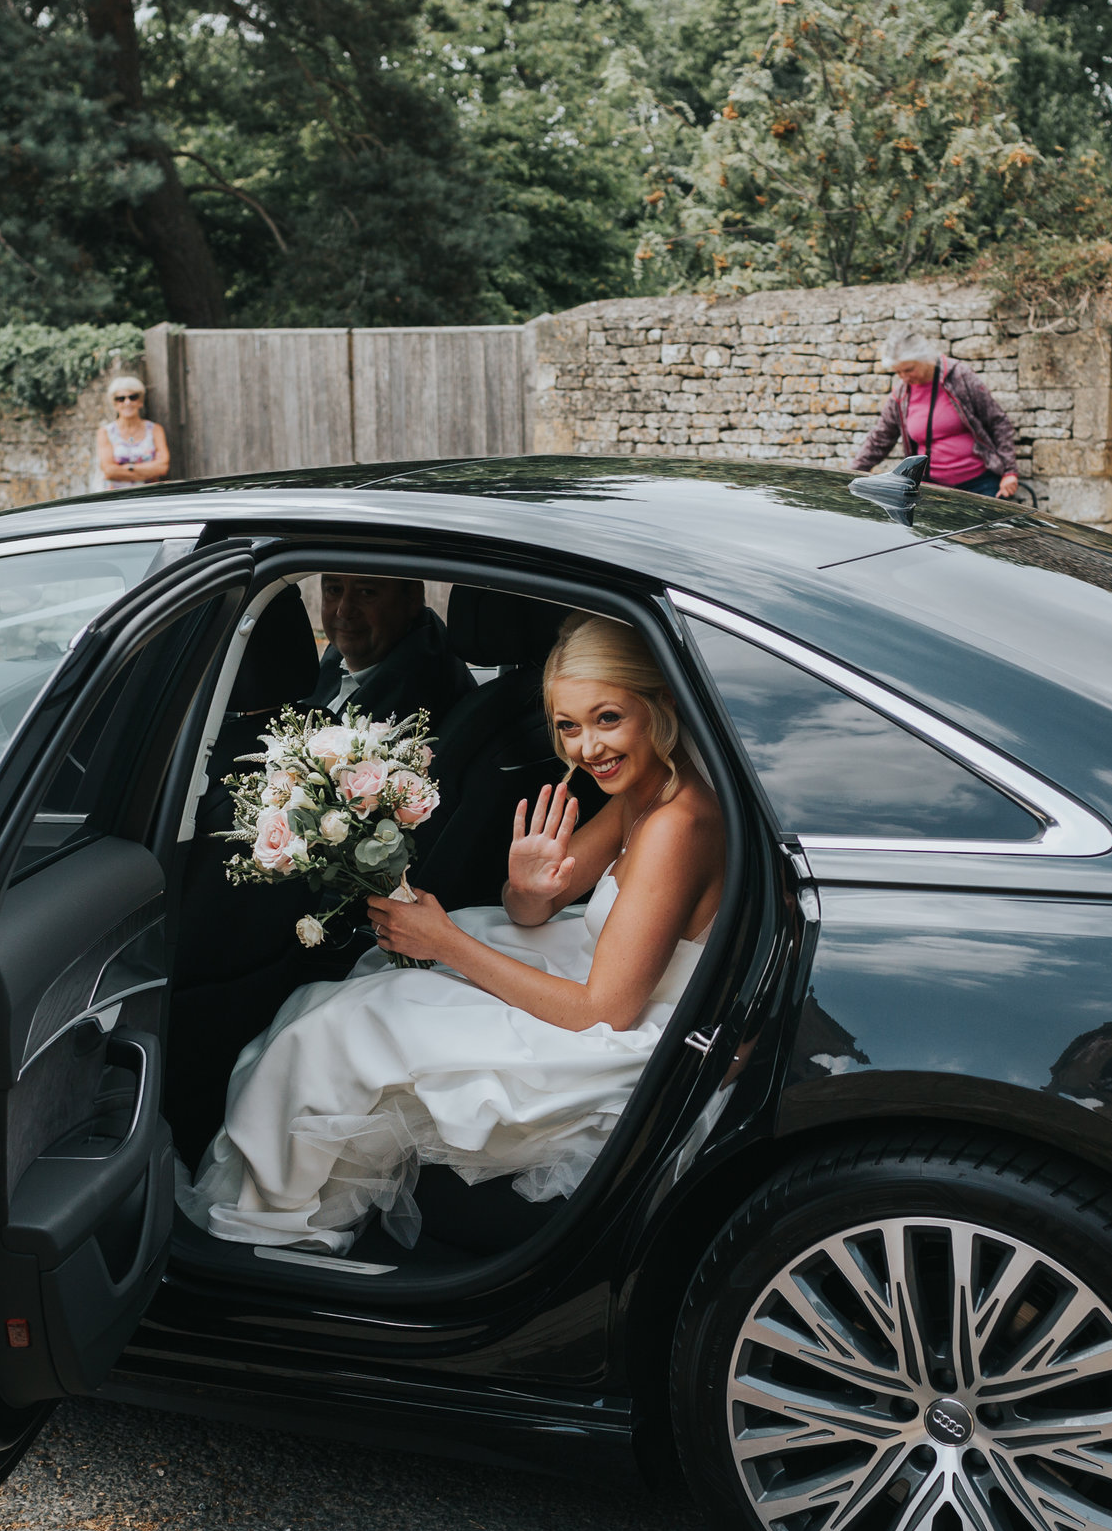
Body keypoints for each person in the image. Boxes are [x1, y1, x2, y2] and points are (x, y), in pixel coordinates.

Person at [180, 612, 724, 1250]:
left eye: (609, 719)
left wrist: (445, 946)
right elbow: (533, 912)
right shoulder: (647, 787)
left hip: (629, 1031)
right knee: (348, 998)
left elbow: (606, 1011)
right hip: (599, 978)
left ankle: (270, 1231)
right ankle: (287, 1205)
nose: (587, 750)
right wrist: (525, 888)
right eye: (568, 727)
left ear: (661, 704)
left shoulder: (676, 825)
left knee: (344, 1030)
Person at [848, 330, 1021, 499]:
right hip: (931, 488)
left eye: (909, 370)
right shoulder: (901, 395)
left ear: (925, 359)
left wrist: (1009, 471)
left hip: (980, 484)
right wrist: (851, 474)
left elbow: (997, 421)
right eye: (898, 372)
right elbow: (880, 439)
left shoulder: (959, 376)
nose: (904, 377)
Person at [307, 573, 473, 725]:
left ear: (412, 597)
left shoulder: (409, 705)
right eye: (334, 590)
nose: (344, 610)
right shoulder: (351, 652)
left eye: (367, 592)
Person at [92, 374, 170, 489]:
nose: (127, 402)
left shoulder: (155, 430)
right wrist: (148, 469)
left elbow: (163, 467)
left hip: (149, 497)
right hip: (116, 498)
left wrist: (126, 468)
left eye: (133, 397)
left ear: (141, 401)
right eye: (121, 399)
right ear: (114, 404)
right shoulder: (105, 433)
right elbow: (109, 470)